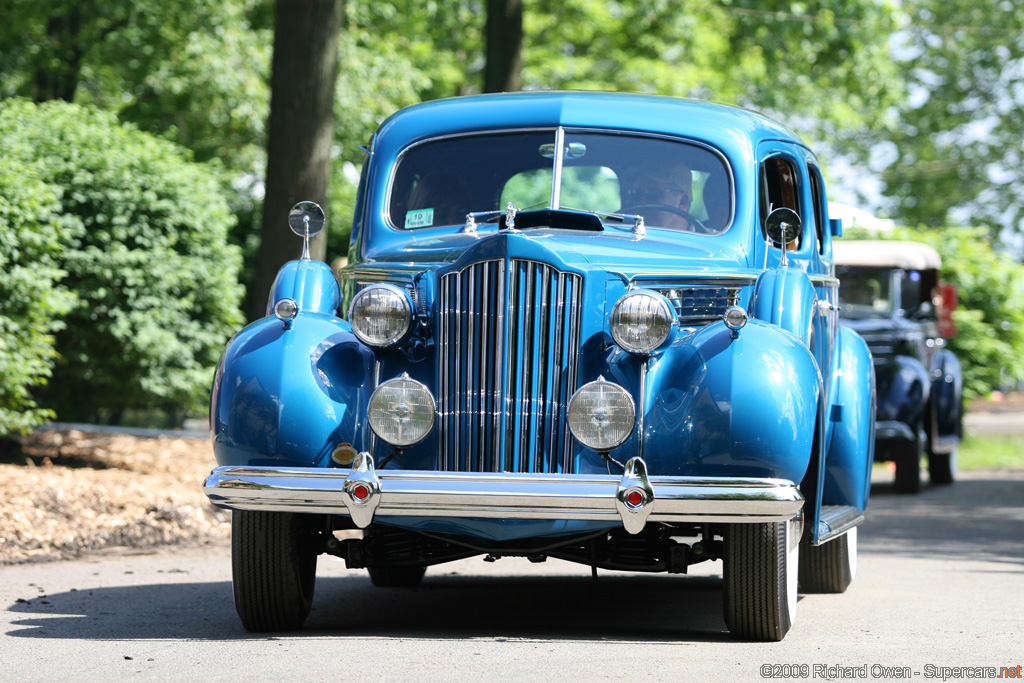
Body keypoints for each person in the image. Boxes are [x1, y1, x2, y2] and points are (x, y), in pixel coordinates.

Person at [621, 158, 696, 231]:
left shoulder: (706, 241)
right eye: (635, 194)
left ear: (682, 201)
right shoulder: (625, 237)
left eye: (653, 194)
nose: (641, 202)